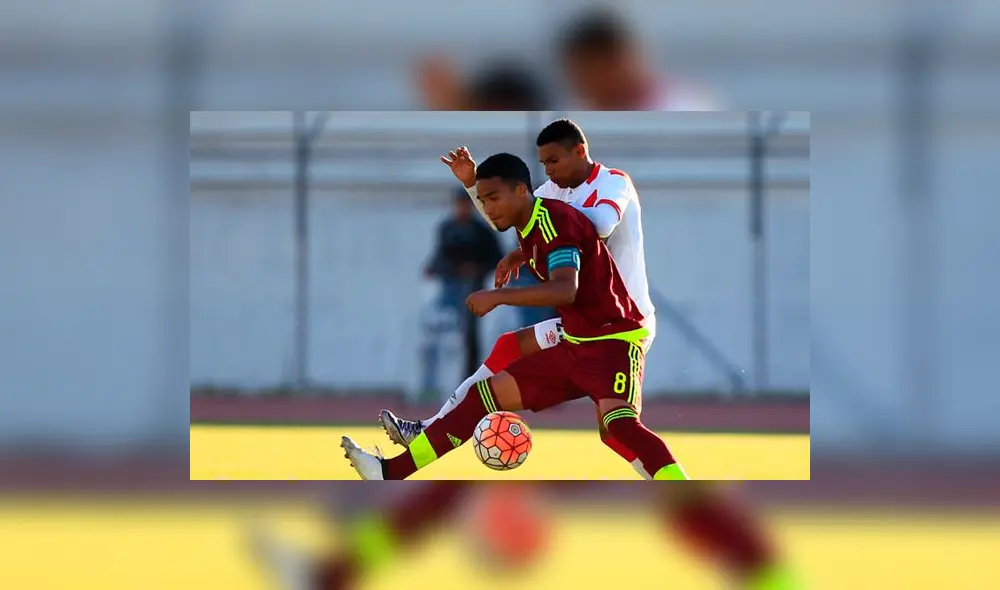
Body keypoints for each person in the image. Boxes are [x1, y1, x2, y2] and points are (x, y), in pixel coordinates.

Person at [341, 152, 685, 481]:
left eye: (493, 199)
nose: (488, 209)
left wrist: (497, 296)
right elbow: (508, 208)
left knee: (619, 428)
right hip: (577, 341)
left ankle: (691, 498)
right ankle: (389, 472)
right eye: (484, 200)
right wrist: (473, 187)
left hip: (614, 338)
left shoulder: (565, 214)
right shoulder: (532, 218)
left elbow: (566, 289)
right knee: (487, 391)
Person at [420, 189, 503, 393]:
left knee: (470, 337)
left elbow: (497, 259)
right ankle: (430, 384)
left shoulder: (482, 231)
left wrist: (475, 270)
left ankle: (470, 380)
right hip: (449, 290)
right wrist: (442, 270)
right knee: (437, 336)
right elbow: (440, 258)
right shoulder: (447, 228)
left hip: (474, 291)